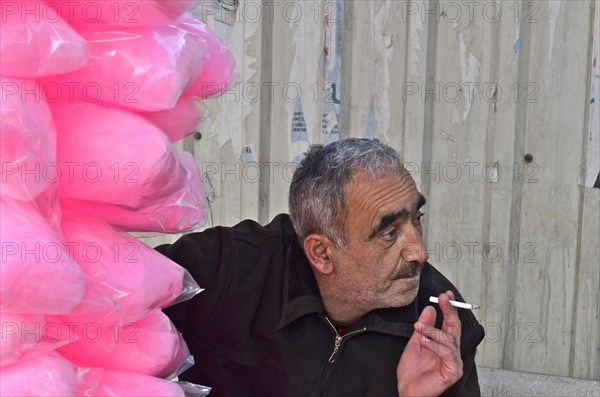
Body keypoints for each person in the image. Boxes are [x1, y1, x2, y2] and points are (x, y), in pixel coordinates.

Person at [158, 138, 485, 397]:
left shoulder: (442, 325)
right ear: (322, 253)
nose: (420, 253)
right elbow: (113, 314)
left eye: (417, 220)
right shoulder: (222, 270)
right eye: (389, 233)